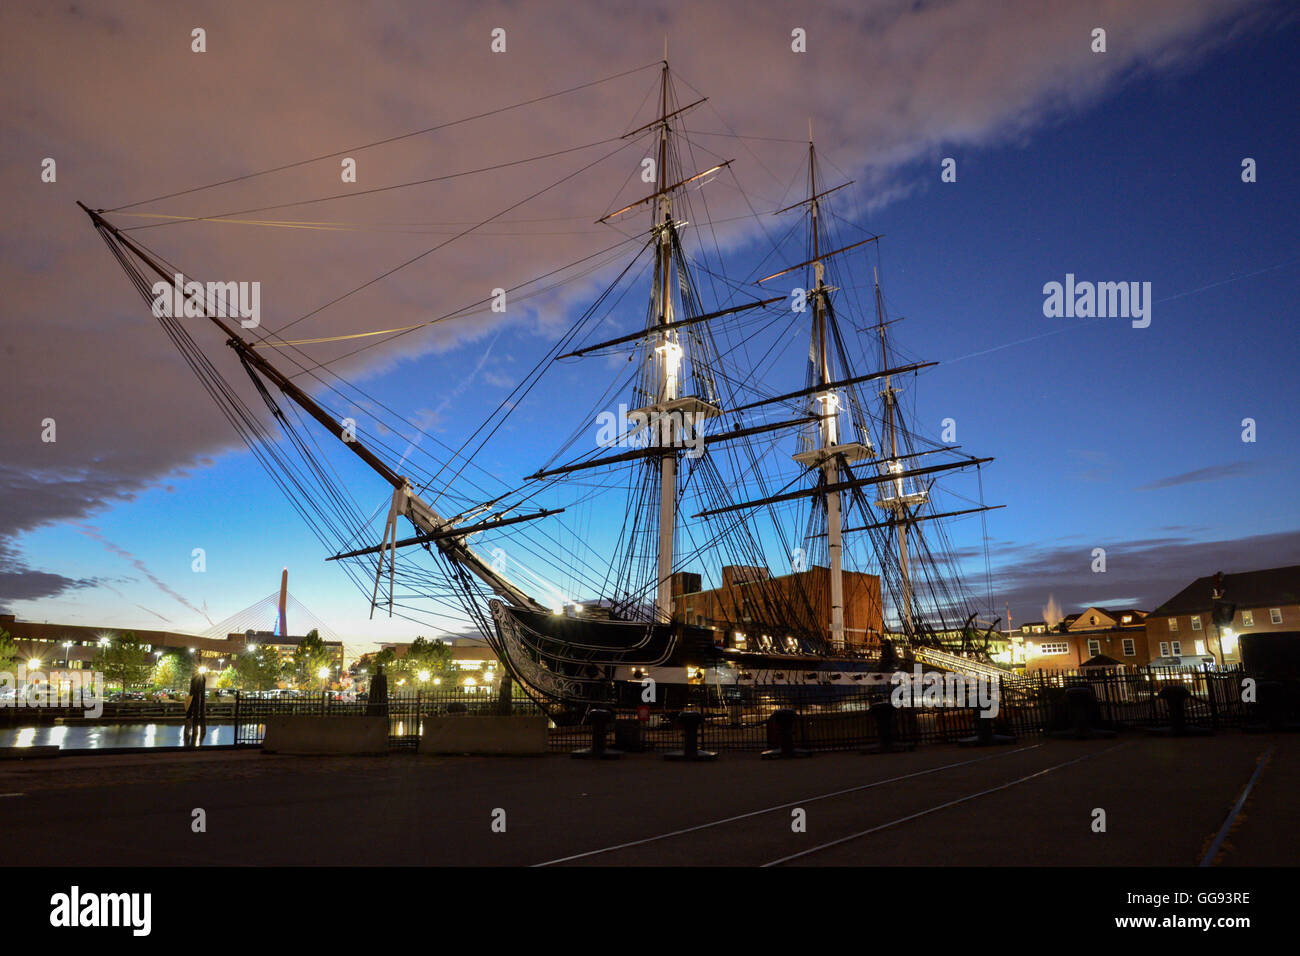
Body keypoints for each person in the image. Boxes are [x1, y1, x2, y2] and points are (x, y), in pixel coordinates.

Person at [183, 670, 207, 747]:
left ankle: (191, 732)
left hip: (194, 696)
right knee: (191, 713)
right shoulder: (200, 679)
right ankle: (196, 731)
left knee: (189, 713)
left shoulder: (198, 678)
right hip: (195, 696)